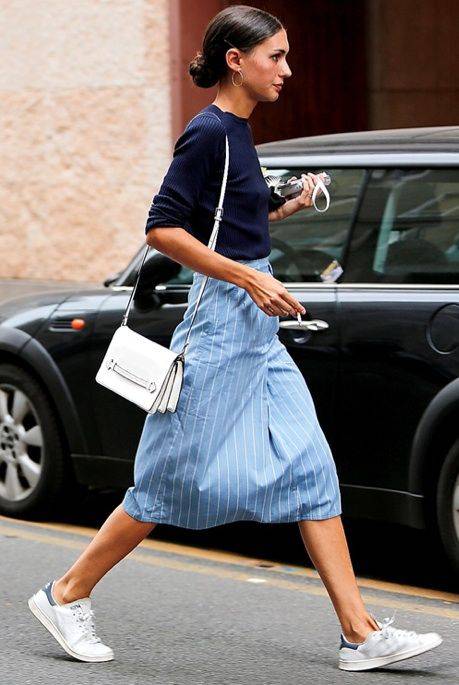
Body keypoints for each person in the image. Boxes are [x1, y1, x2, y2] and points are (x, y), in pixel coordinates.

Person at [28, 4, 443, 671]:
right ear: (235, 59)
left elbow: (230, 225)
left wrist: (286, 205)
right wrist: (249, 279)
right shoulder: (208, 134)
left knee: (311, 470)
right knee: (165, 480)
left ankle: (359, 633)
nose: (286, 69)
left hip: (256, 330)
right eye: (275, 56)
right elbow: (162, 228)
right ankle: (66, 592)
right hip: (221, 323)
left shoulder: (241, 136)